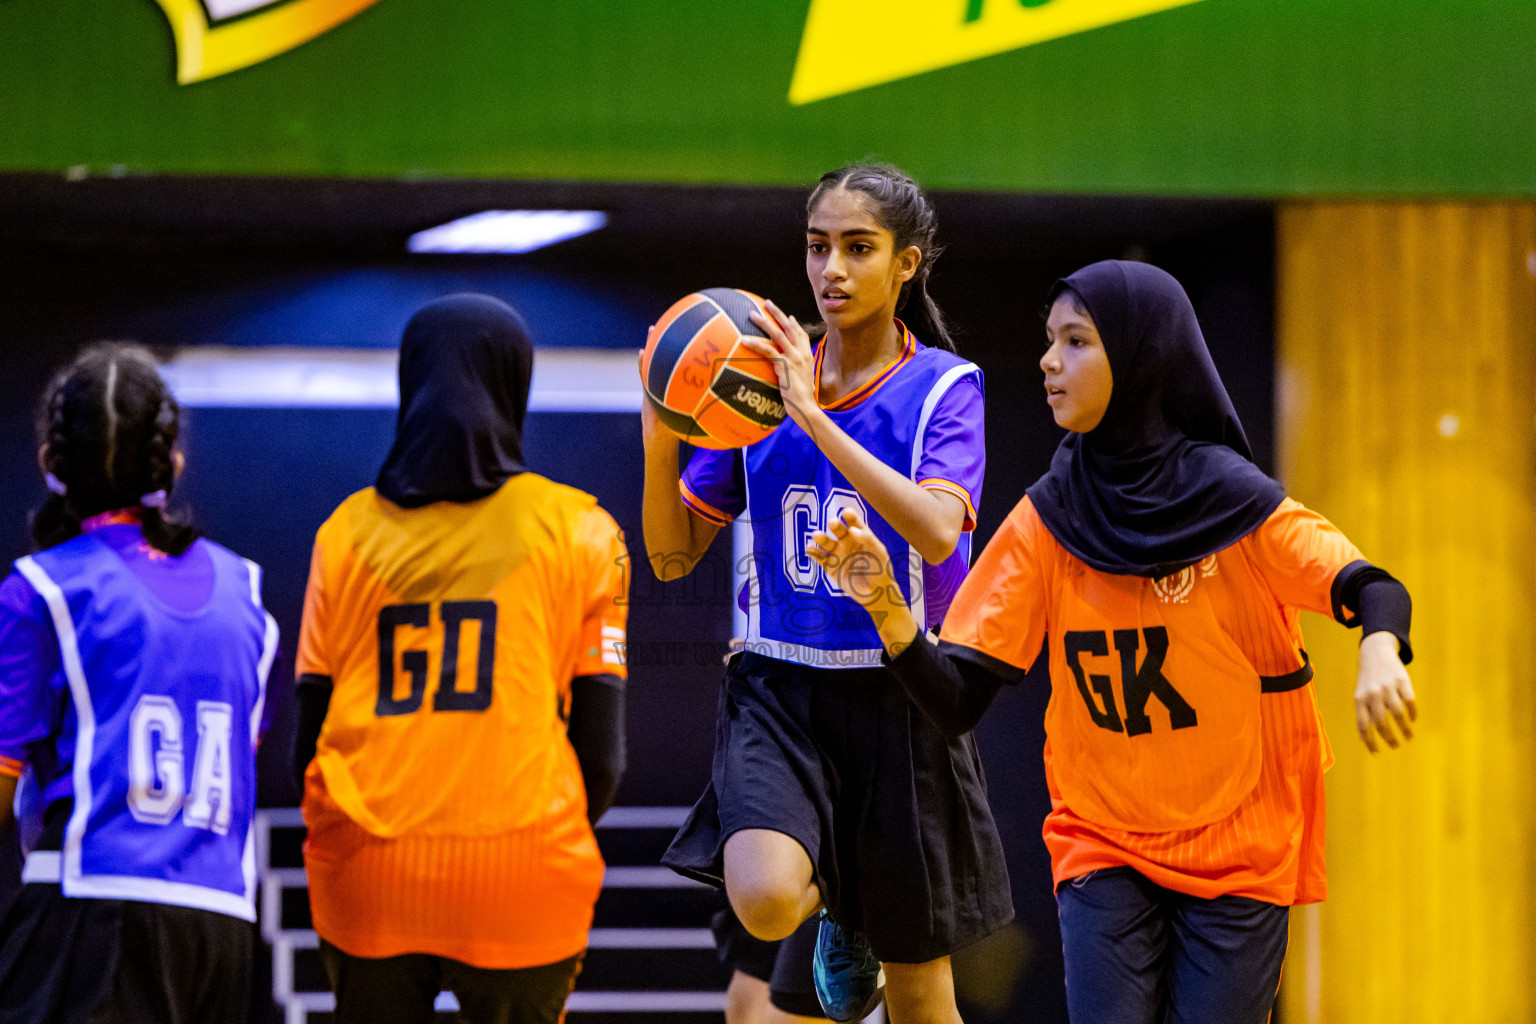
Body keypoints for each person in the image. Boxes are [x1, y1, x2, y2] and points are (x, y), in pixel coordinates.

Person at [806, 260, 1418, 1024]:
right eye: (1048, 339)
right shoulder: (1049, 518)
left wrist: (1379, 649)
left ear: (1139, 358)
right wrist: (887, 604)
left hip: (1242, 839)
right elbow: (956, 698)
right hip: (1103, 838)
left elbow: (1372, 588)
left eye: (1076, 341)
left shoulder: (1235, 503)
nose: (1048, 361)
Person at [645, 164, 1011, 1024]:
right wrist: (661, 439)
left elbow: (933, 529)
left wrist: (814, 419)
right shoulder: (758, 384)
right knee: (767, 899)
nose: (832, 270)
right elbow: (669, 557)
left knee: (922, 997)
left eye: (858, 248)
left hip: (903, 693)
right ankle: (838, 902)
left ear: (907, 263)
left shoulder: (947, 389)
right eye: (818, 248)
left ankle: (855, 907)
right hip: (779, 685)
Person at [292, 294, 629, 1024]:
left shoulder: (343, 534)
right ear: (515, 384)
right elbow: (601, 759)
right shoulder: (580, 528)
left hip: (365, 865)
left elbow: (307, 737)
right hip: (522, 869)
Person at [0, 344, 277, 1024]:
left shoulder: (42, 589)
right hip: (223, 927)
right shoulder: (248, 590)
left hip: (95, 908)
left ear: (49, 466)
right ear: (172, 461)